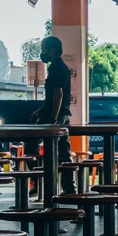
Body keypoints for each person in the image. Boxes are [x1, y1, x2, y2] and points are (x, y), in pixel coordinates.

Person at [28, 35, 76, 194]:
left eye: (43, 50)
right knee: (63, 152)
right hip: (61, 114)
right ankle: (68, 188)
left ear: (52, 51)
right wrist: (39, 111)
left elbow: (58, 95)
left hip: (56, 116)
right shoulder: (60, 66)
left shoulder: (56, 68)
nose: (42, 53)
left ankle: (40, 182)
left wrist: (53, 120)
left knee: (31, 144)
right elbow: (51, 99)